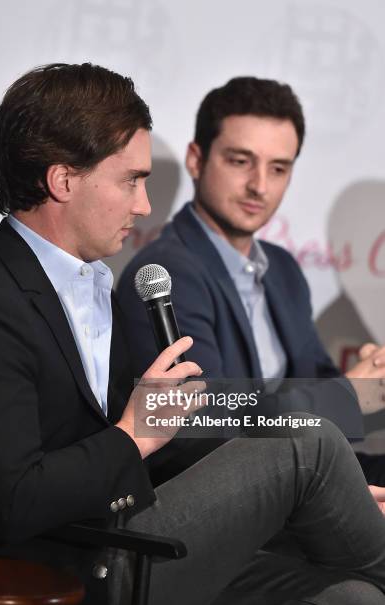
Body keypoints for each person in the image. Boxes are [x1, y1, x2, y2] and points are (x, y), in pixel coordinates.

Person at [0, 64, 385, 605]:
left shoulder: (93, 282)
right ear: (63, 180)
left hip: (125, 533)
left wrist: (327, 498)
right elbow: (10, 501)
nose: (143, 206)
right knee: (308, 445)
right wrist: (133, 434)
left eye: (280, 167)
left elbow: (167, 439)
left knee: (353, 598)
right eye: (131, 180)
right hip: (59, 566)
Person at [117, 76, 385, 486]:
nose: (260, 185)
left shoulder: (282, 269)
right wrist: (348, 397)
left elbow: (319, 383)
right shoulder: (169, 273)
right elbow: (206, 421)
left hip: (300, 478)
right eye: (240, 161)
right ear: (196, 159)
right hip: (222, 502)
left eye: (278, 168)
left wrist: (376, 384)